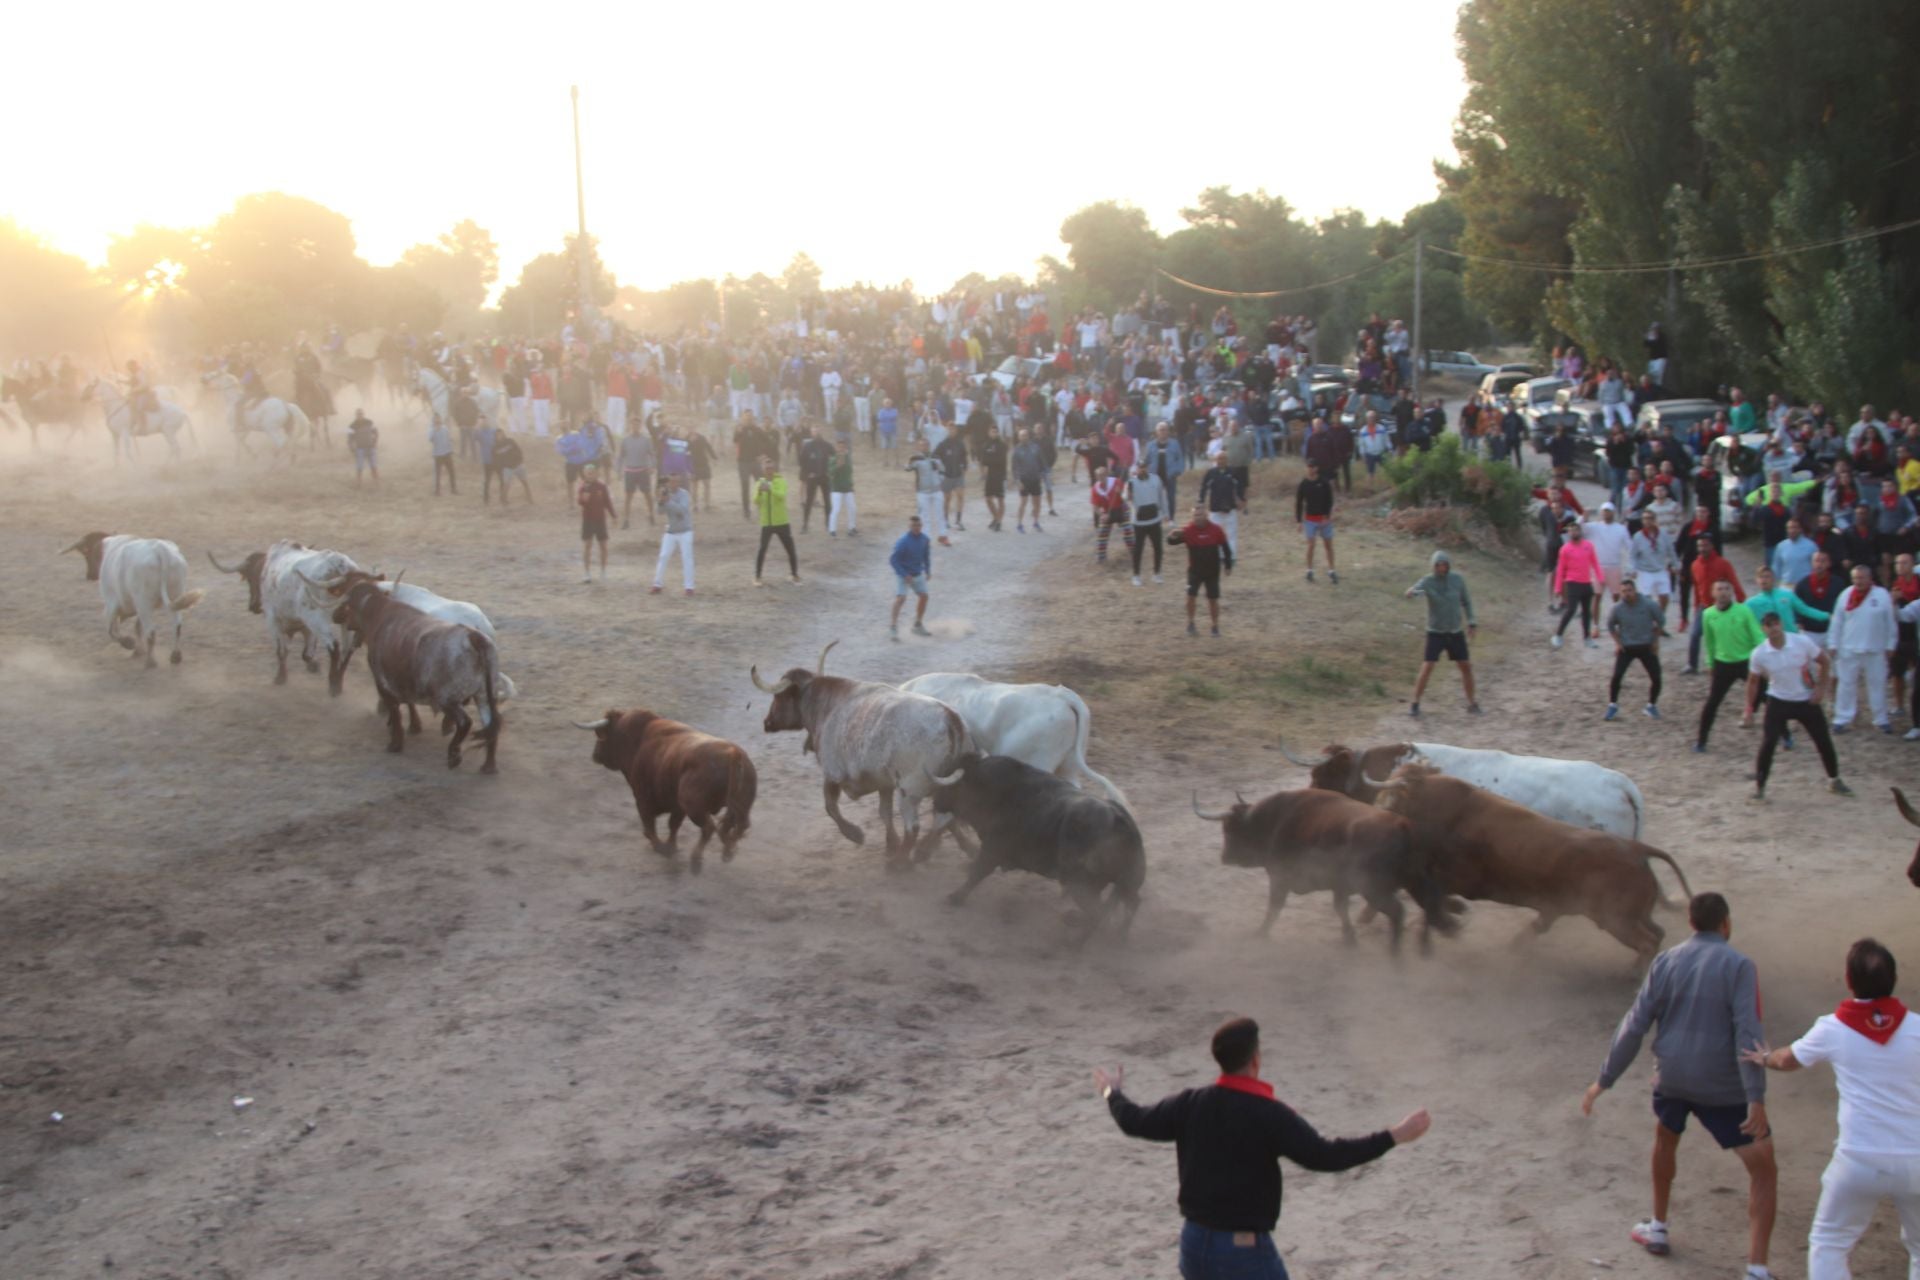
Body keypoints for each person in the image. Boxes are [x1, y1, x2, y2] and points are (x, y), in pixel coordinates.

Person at [1095, 1016, 1429, 1280]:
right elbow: (1325, 1156)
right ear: (1255, 1060)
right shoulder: (1270, 1115)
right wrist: (1394, 1135)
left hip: (1194, 1246)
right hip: (1243, 1254)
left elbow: (1134, 1121)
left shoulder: (1191, 1103)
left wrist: (1112, 1093)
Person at [1582, 892, 1778, 1280]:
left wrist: (1603, 1080)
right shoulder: (1739, 965)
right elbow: (1748, 1032)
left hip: (1671, 1076)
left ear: (1691, 923)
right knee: (1763, 1169)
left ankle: (1657, 1227)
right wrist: (1755, 1097)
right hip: (1721, 1085)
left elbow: (1633, 1026)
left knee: (1665, 1138)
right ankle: (1756, 1269)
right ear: (1726, 924)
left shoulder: (1665, 961)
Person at [1743, 938, 1920, 1280]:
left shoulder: (1834, 1028)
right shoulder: (1918, 1028)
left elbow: (1788, 1059)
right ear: (1893, 978)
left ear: (1849, 980)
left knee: (1830, 1242)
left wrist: (1764, 1057)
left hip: (1859, 1159)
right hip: (1917, 1157)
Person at [1746, 611, 1852, 800]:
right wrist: (1748, 709)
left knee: (1823, 740)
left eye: (1776, 623)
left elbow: (1824, 661)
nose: (1774, 628)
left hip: (1805, 700)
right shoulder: (1759, 653)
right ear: (1764, 629)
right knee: (1768, 743)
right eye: (1769, 625)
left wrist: (1821, 689)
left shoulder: (1801, 642)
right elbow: (1753, 681)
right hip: (1778, 700)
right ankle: (1759, 788)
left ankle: (1834, 779)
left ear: (1781, 624)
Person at [1404, 549, 1480, 718]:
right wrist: (1411, 592)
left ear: (1448, 565)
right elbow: (1416, 590)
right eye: (1438, 565)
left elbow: (1466, 602)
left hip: (1455, 632)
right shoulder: (1428, 581)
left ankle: (1472, 702)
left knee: (1466, 666)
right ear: (1433, 566)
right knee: (1427, 666)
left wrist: (1472, 622)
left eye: (1444, 564)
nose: (1441, 568)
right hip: (1436, 632)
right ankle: (1415, 703)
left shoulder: (1457, 580)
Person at [1826, 563, 1896, 734]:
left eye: (1862, 577)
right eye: (1855, 578)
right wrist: (1833, 643)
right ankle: (1842, 718)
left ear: (1869, 578)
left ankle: (1880, 719)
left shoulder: (1882, 595)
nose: (1859, 581)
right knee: (1846, 685)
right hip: (1848, 647)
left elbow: (1890, 622)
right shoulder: (1845, 595)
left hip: (1875, 648)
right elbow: (1837, 621)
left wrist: (1890, 644)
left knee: (1877, 685)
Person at [1606, 575, 1668, 721]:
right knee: (1616, 677)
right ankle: (1612, 705)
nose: (1627, 594)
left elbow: (1661, 621)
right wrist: (1618, 643)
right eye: (1624, 591)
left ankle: (1651, 706)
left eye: (1629, 590)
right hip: (1626, 648)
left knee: (1656, 678)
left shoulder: (1649, 604)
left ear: (1635, 590)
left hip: (1646, 646)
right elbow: (1610, 626)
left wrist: (1655, 641)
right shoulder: (1617, 608)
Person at [1169, 503, 1233, 638]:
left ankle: (1215, 627)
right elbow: (1171, 542)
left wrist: (1228, 565)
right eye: (1195, 516)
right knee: (1190, 597)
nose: (1198, 518)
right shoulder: (1188, 530)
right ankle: (1191, 623)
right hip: (1195, 572)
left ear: (1207, 515)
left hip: (1212, 572)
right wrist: (1172, 535)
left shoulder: (1216, 530)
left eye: (1200, 515)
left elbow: (1226, 548)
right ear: (1192, 517)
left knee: (1213, 600)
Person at [1553, 518, 1604, 649]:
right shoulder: (1565, 549)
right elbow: (1560, 570)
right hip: (1572, 582)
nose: (1573, 532)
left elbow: (1595, 563)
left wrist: (1600, 577)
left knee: (1586, 612)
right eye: (1571, 531)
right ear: (1568, 533)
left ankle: (1587, 638)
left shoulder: (1588, 546)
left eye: (1576, 530)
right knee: (1571, 609)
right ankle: (1558, 635)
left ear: (1580, 531)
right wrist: (1558, 587)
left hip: (1586, 582)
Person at [752, 456, 799, 587]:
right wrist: (760, 493)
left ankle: (794, 574)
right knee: (762, 549)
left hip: (781, 521)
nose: (769, 470)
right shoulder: (759, 483)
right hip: (766, 523)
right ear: (763, 469)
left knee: (790, 549)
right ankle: (757, 577)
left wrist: (770, 489)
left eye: (771, 467)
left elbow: (781, 496)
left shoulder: (781, 481)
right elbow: (756, 501)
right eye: (766, 468)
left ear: (774, 468)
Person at [648, 474, 695, 596]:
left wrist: (668, 501)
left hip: (685, 530)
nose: (674, 484)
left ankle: (689, 586)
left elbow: (682, 510)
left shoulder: (684, 494)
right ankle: (657, 584)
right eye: (672, 482)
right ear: (668, 483)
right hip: (671, 531)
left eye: (676, 481)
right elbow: (659, 512)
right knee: (663, 556)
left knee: (687, 558)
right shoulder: (666, 494)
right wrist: (660, 501)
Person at [888, 515, 933, 640]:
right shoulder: (903, 542)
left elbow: (926, 556)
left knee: (924, 596)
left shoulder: (925, 539)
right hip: (904, 574)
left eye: (918, 525)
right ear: (909, 527)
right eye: (914, 525)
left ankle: (917, 625)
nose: (916, 528)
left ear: (921, 526)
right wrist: (904, 574)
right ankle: (893, 627)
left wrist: (928, 570)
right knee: (900, 598)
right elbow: (893, 560)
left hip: (917, 573)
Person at [1295, 459, 1336, 584]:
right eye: (1308, 466)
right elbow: (1299, 503)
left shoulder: (1324, 483)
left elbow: (1329, 500)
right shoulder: (1303, 484)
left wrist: (1327, 516)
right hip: (1310, 519)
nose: (1310, 469)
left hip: (1323, 519)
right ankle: (1309, 570)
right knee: (1311, 545)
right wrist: (1299, 521)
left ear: (1316, 468)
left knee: (1328, 545)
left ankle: (1332, 570)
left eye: (1312, 467)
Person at [1127, 458, 1167, 587]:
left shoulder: (1156, 479)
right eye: (1140, 467)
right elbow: (1126, 498)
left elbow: (1162, 496)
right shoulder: (1131, 482)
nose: (1142, 469)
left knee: (1158, 548)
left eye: (1144, 467)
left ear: (1147, 468)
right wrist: (1128, 494)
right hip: (1139, 523)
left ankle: (1157, 573)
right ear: (1136, 469)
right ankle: (1136, 575)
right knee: (1138, 549)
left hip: (1155, 520)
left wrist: (1165, 513)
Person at [1197, 453, 1246, 556]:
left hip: (1230, 508)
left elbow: (1240, 487)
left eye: (1224, 459)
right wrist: (1201, 502)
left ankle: (1231, 556)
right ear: (1216, 460)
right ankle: (1217, 555)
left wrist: (1241, 499)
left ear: (1227, 460)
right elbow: (1204, 488)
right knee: (1213, 533)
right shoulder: (1211, 473)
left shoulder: (1233, 472)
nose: (1221, 461)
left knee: (1231, 534)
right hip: (1215, 509)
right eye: (1219, 459)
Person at [1584, 502, 1632, 601]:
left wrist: (1630, 565)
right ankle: (1595, 617)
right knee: (1596, 595)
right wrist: (1584, 517)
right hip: (1597, 566)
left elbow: (1630, 547)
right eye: (1604, 512)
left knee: (1616, 595)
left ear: (1613, 513)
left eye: (1608, 511)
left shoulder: (1621, 529)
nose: (1606, 514)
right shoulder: (1593, 527)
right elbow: (1579, 528)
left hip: (1614, 566)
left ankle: (1617, 615)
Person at [906, 437, 950, 546]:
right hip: (922, 492)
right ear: (918, 447)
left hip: (937, 491)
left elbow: (943, 470)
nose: (924, 447)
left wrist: (939, 480)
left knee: (940, 514)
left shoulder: (936, 457)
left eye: (926, 444)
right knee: (924, 516)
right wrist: (909, 460)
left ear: (929, 446)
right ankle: (925, 539)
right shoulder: (916, 458)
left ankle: (943, 536)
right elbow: (907, 468)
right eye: (921, 445)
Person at [577, 463, 615, 583]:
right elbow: (580, 502)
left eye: (592, 472)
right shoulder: (583, 487)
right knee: (587, 546)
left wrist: (614, 516)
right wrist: (583, 499)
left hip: (600, 521)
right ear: (584, 474)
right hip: (588, 520)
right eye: (588, 473)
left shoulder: (602, 487)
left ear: (596, 473)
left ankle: (603, 572)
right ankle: (586, 573)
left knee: (603, 546)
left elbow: (607, 502)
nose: (590, 475)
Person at [1090, 466, 1135, 564]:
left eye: (1102, 475)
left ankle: (1134, 552)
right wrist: (1102, 515)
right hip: (1107, 513)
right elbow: (1095, 507)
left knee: (1128, 530)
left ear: (1106, 474)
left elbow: (1128, 498)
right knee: (1102, 533)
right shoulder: (1095, 488)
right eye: (1098, 476)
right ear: (1096, 477)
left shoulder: (1117, 482)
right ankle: (1101, 557)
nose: (1100, 478)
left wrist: (1120, 493)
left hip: (1121, 509)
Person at [619, 420, 655, 529]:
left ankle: (651, 514)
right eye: (633, 424)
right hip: (630, 471)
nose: (635, 427)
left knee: (647, 495)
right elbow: (621, 456)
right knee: (628, 496)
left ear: (640, 426)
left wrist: (653, 466)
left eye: (637, 425)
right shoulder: (625, 440)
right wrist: (618, 470)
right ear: (630, 426)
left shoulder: (646, 440)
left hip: (643, 470)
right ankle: (626, 520)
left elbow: (652, 454)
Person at [797, 425, 833, 534]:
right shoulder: (807, 446)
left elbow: (835, 458)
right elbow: (801, 461)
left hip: (824, 477)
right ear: (811, 433)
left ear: (820, 431)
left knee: (827, 501)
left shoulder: (827, 445)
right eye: (813, 431)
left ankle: (828, 524)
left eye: (817, 431)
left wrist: (830, 472)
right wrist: (808, 473)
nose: (815, 433)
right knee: (809, 501)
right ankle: (805, 524)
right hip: (812, 478)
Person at [1011, 428, 1046, 534]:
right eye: (1021, 435)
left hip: (1035, 479)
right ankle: (1019, 524)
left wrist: (1042, 475)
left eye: (1025, 435)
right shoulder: (1016, 451)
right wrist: (1017, 481)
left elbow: (1041, 462)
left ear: (1028, 436)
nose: (1024, 437)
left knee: (1037, 503)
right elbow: (1014, 468)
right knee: (1023, 503)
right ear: (1018, 437)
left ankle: (1036, 522)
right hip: (1024, 480)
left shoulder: (1035, 447)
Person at [490, 430, 531, 505]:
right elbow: (495, 460)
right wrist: (499, 469)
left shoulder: (510, 441)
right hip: (507, 468)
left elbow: (519, 450)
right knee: (506, 484)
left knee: (525, 482)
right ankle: (503, 500)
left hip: (518, 465)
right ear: (495, 437)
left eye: (501, 434)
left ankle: (529, 497)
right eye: (498, 435)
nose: (500, 436)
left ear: (504, 434)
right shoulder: (495, 447)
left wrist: (520, 460)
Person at [978, 429, 1008, 532]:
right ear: (989, 432)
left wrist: (990, 459)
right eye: (992, 431)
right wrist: (992, 459)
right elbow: (983, 460)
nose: (994, 433)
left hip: (1000, 475)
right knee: (988, 498)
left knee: (1000, 499)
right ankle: (996, 518)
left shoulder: (1002, 445)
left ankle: (999, 521)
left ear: (998, 433)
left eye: (996, 431)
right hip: (990, 475)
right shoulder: (986, 445)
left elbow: (1000, 460)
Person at [827, 440, 857, 537]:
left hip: (847, 487)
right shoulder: (832, 459)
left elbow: (850, 472)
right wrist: (838, 466)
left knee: (852, 508)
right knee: (836, 509)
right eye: (839, 447)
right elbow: (830, 472)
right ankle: (832, 529)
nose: (841, 449)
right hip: (836, 488)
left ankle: (851, 527)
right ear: (836, 448)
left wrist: (851, 484)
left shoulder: (848, 458)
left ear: (845, 448)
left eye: (843, 447)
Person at [347, 410, 378, 486]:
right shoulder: (352, 426)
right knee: (360, 465)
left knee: (373, 464)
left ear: (363, 414)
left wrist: (374, 442)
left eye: (361, 414)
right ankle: (359, 481)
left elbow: (376, 432)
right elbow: (349, 439)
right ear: (356, 415)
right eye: (358, 415)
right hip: (360, 448)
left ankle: (376, 480)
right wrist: (352, 448)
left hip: (370, 447)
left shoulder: (369, 422)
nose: (360, 416)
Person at [429, 417, 457, 496]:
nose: (438, 423)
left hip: (447, 453)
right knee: (438, 474)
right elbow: (430, 439)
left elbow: (448, 439)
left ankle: (453, 489)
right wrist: (435, 430)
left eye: (439, 421)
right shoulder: (432, 430)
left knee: (452, 472)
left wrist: (451, 449)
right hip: (438, 455)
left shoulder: (445, 428)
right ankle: (437, 491)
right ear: (434, 422)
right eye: (436, 422)